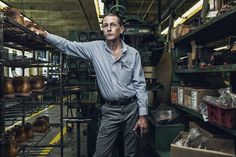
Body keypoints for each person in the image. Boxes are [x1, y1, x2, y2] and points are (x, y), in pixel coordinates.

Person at [32, 13, 148, 157]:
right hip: (110, 110)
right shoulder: (95, 49)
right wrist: (46, 35)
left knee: (131, 152)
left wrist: (143, 115)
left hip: (132, 109)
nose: (109, 28)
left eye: (113, 25)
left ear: (121, 29)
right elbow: (68, 46)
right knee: (101, 153)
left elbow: (140, 85)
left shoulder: (133, 54)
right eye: (105, 25)